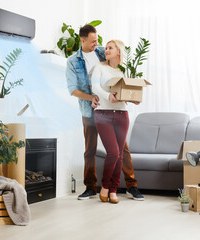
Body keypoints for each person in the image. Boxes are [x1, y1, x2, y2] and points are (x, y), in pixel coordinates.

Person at [66, 25, 144, 201]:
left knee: (122, 150)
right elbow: (73, 90)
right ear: (83, 40)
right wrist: (90, 97)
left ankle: (132, 186)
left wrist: (131, 97)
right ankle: (90, 187)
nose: (97, 44)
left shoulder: (102, 52)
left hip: (113, 109)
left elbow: (119, 68)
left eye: (98, 40)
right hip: (89, 110)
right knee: (90, 149)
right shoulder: (73, 61)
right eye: (93, 41)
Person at [91, 39, 139, 204]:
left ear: (119, 51)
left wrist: (134, 99)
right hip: (103, 114)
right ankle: (105, 186)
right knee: (113, 153)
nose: (106, 50)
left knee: (119, 156)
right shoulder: (100, 68)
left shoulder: (124, 71)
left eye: (110, 48)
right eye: (106, 48)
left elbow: (127, 90)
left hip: (121, 115)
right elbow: (95, 87)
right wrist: (107, 96)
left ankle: (113, 190)